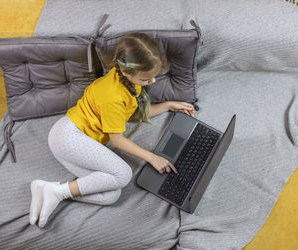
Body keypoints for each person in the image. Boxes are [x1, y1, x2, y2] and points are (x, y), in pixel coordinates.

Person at [29, 32, 195, 228]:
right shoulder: (112, 96)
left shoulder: (127, 82)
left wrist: (168, 105)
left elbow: (129, 114)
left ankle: (50, 189)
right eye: (146, 79)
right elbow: (118, 140)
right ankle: (57, 192)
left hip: (75, 141)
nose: (152, 82)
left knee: (110, 195)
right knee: (123, 175)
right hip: (69, 137)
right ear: (126, 71)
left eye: (153, 77)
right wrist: (152, 157)